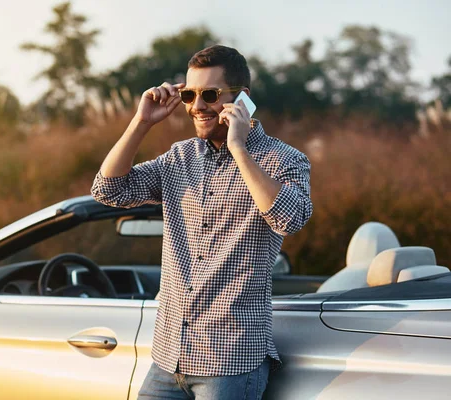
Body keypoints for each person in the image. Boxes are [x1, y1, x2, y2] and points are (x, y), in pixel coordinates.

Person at [91, 45, 313, 399]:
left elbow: (289, 218)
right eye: (188, 95)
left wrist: (239, 148)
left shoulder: (283, 159)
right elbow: (108, 190)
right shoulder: (179, 157)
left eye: (209, 94)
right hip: (168, 358)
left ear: (241, 98)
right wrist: (142, 122)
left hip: (230, 365)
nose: (196, 106)